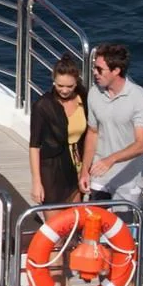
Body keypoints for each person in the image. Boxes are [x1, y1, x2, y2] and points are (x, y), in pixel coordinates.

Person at [85, 42, 143, 208]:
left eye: (99, 69)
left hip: (128, 180)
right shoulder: (94, 93)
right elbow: (92, 132)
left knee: (124, 229)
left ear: (116, 70)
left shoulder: (139, 98)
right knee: (93, 225)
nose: (95, 73)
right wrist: (85, 171)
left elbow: (141, 144)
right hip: (99, 176)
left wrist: (111, 160)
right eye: (95, 68)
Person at [25, 55, 95, 205]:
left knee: (75, 220)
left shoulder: (84, 98)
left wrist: (86, 168)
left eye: (69, 86)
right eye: (59, 85)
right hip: (53, 168)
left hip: (78, 166)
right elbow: (34, 146)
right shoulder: (43, 106)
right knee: (55, 222)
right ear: (53, 81)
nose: (64, 90)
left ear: (77, 83)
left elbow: (92, 132)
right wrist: (37, 182)